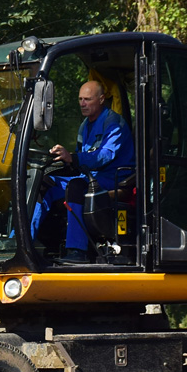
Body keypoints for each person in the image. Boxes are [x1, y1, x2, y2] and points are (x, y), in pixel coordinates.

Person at [32, 80, 135, 262]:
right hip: (89, 176)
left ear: (101, 99)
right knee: (43, 183)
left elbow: (106, 155)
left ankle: (77, 251)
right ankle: (23, 241)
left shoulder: (114, 123)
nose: (82, 103)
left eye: (87, 99)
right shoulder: (84, 125)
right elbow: (80, 157)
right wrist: (62, 158)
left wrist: (74, 157)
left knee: (76, 186)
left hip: (113, 177)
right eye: (80, 99)